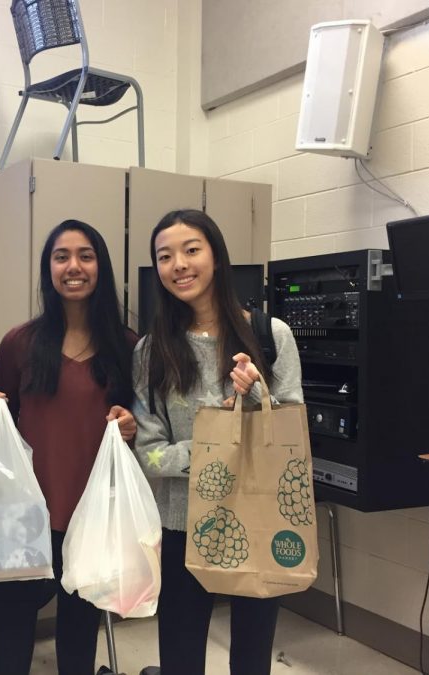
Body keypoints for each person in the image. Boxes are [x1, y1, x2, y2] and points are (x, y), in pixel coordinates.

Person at [132, 209, 303, 675]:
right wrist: (215, 445)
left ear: (217, 257)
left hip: (258, 515)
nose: (179, 265)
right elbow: (149, 452)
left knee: (252, 658)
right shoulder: (151, 351)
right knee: (181, 656)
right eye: (165, 257)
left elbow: (291, 435)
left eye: (191, 250)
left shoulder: (270, 336)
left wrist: (256, 398)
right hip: (181, 524)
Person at [0, 220, 138, 675]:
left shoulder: (126, 346)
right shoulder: (19, 343)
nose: (73, 266)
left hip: (92, 516)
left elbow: (138, 422)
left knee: (78, 636)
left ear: (101, 267)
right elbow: (1, 413)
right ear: (48, 267)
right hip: (23, 517)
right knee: (9, 637)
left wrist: (130, 424)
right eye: (61, 256)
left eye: (85, 255)